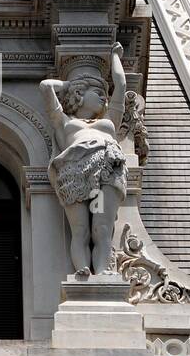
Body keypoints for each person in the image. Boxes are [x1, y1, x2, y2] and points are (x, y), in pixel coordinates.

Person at [41, 43, 128, 276]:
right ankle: (82, 271)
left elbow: (121, 85)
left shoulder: (111, 119)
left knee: (102, 228)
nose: (103, 98)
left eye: (103, 94)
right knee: (80, 231)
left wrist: (115, 57)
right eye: (97, 92)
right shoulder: (64, 123)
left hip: (108, 165)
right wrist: (71, 85)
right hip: (74, 171)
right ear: (79, 95)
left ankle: (102, 274)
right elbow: (46, 86)